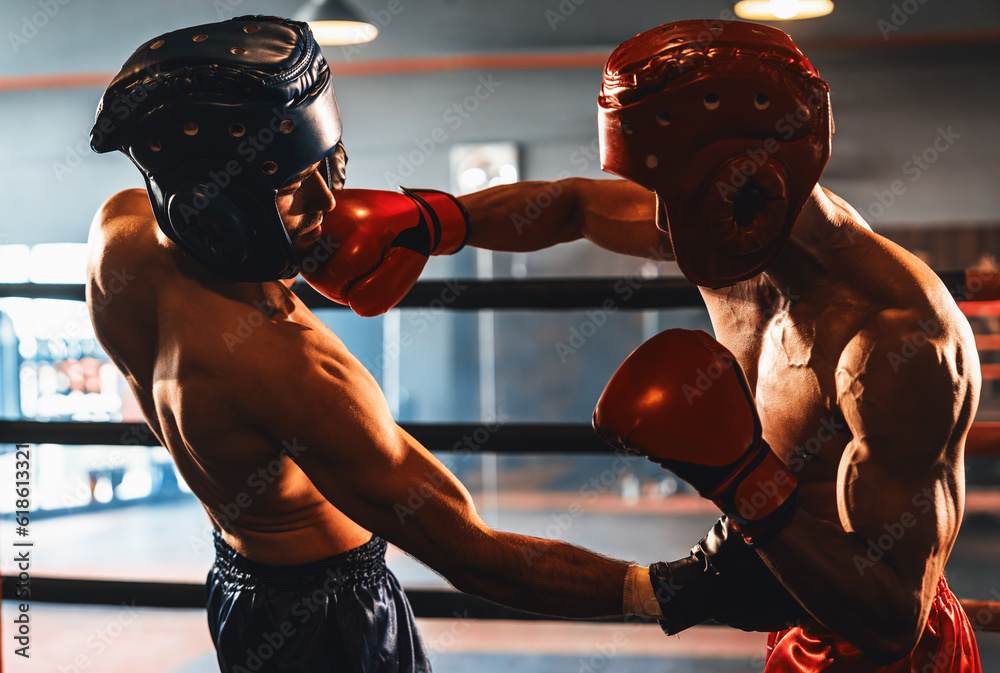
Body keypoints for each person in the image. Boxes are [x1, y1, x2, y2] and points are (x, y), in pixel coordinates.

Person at [318, 19, 983, 671]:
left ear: (750, 185)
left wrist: (742, 479)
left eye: (675, 197)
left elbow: (894, 620)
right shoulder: (725, 229)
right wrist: (439, 221)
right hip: (795, 621)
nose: (658, 221)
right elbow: (571, 205)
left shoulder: (897, 336)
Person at [83, 15, 697, 673]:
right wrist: (666, 587)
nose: (331, 199)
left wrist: (434, 219)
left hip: (239, 587)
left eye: (327, 163)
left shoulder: (119, 237)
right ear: (213, 209)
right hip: (332, 618)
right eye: (292, 188)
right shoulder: (291, 372)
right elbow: (472, 552)